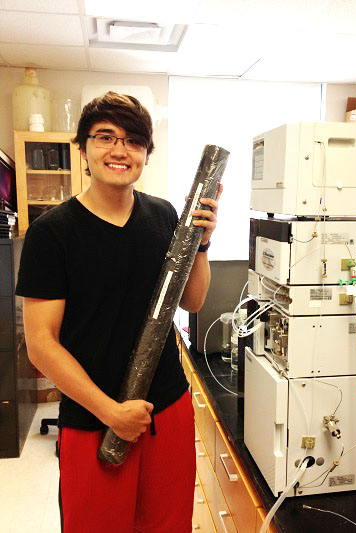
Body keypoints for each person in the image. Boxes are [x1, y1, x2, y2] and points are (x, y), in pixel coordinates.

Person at [16, 91, 222, 533]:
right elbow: (41, 345)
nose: (119, 150)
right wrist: (111, 412)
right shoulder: (52, 234)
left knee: (168, 525)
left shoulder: (163, 215)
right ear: (84, 149)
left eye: (133, 140)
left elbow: (192, 301)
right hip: (94, 418)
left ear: (146, 153)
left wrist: (201, 243)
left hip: (167, 406)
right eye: (105, 137)